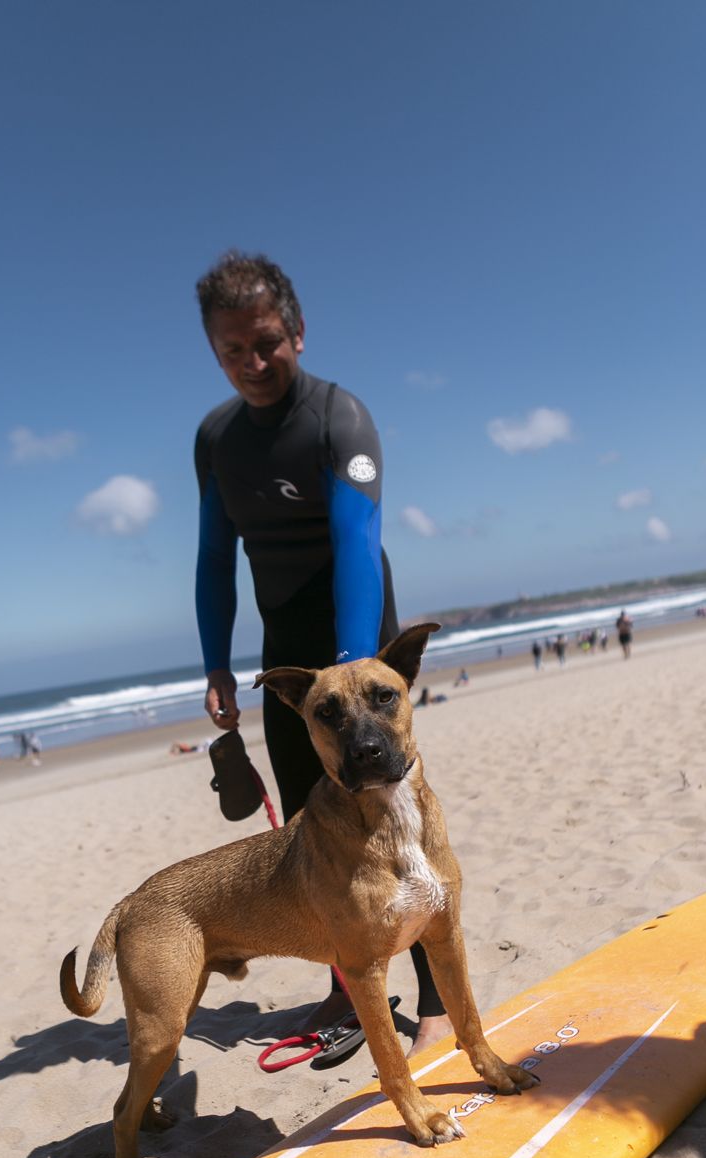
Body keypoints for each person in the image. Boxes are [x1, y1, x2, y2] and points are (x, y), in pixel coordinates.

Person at [193, 250, 450, 1054]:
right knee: (312, 824)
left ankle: (435, 1001)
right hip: (283, 649)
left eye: (265, 341)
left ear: (298, 332)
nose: (252, 362)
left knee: (394, 821)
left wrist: (347, 680)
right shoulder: (216, 440)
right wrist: (216, 663)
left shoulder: (339, 418)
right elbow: (211, 557)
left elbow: (354, 539)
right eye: (232, 350)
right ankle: (347, 990)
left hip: (360, 635)